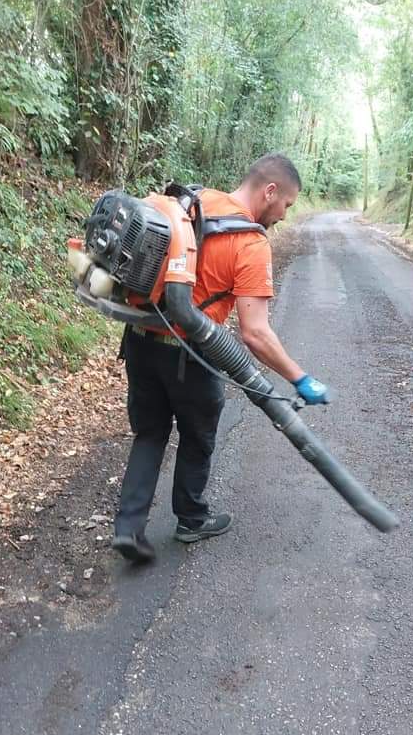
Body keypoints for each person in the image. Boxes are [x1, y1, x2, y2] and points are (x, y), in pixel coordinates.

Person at [113, 152, 328, 563]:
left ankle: (128, 528)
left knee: (150, 433)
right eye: (287, 204)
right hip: (192, 357)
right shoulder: (249, 243)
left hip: (140, 340)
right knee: (197, 436)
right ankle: (191, 519)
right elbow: (255, 333)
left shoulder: (192, 200)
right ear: (270, 192)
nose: (284, 215)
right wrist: (300, 378)